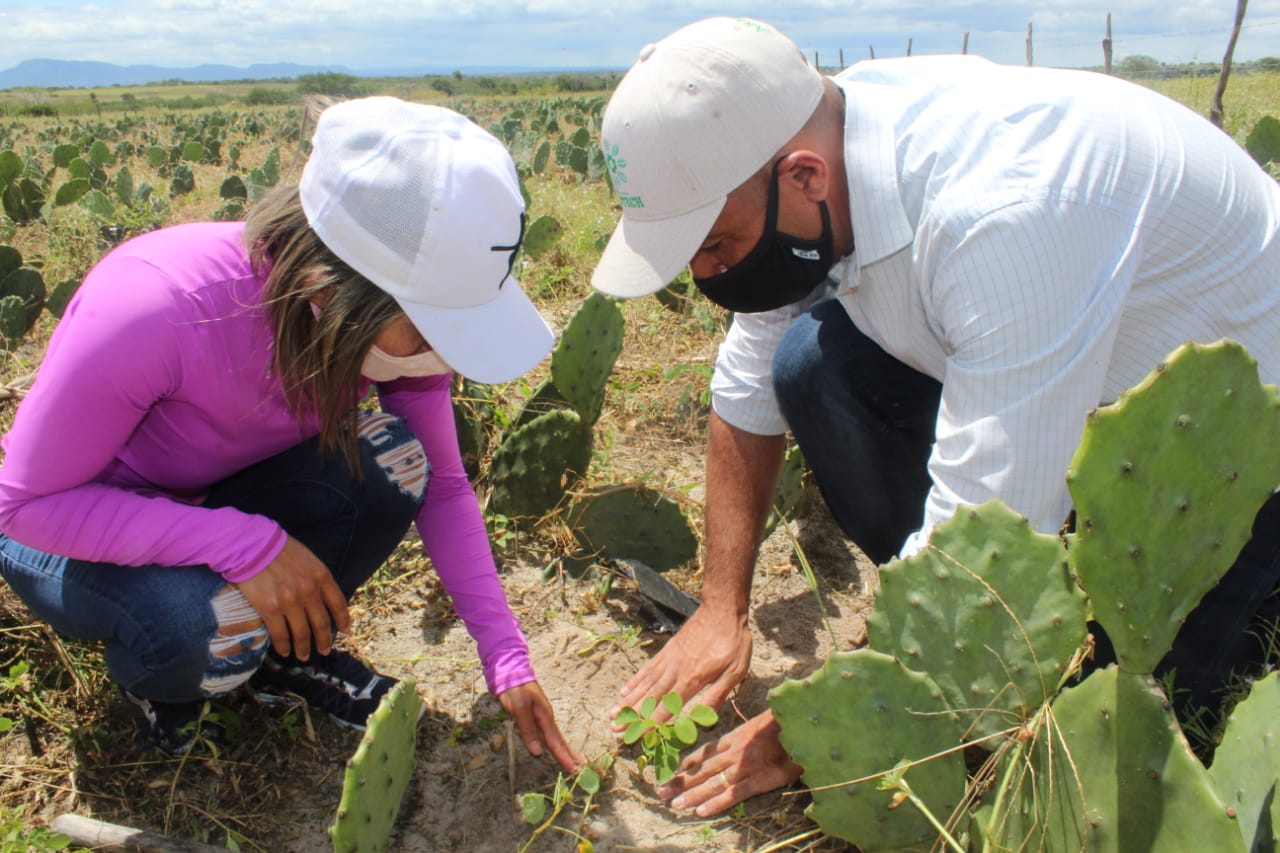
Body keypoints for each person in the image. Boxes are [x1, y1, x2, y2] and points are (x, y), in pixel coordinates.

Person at [590, 16, 1280, 816]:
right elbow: (745, 386)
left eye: (715, 246)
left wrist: (826, 726)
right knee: (809, 366)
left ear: (805, 176)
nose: (708, 275)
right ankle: (962, 654)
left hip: (1229, 449)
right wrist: (719, 604)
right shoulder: (819, 150)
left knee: (1132, 723)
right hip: (1066, 385)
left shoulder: (1009, 207)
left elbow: (990, 523)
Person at [0, 96, 583, 771]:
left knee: (394, 461)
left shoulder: (381, 323)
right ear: (324, 291)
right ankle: (164, 682)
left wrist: (505, 656)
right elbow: (24, 506)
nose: (442, 355)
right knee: (203, 627)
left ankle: (285, 654)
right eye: (430, 330)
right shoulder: (154, 307)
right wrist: (245, 544)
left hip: (210, 497)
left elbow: (446, 487)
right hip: (67, 530)